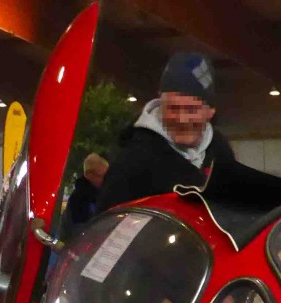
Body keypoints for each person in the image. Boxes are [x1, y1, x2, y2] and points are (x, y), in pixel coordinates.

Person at [97, 52, 234, 212]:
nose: (182, 119)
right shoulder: (132, 161)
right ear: (160, 104)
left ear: (210, 111)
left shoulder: (220, 151)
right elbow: (105, 228)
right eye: (173, 108)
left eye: (191, 109)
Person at [59, 153, 108, 242]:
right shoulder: (79, 201)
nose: (107, 180)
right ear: (89, 175)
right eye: (103, 176)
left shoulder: (95, 194)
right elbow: (82, 234)